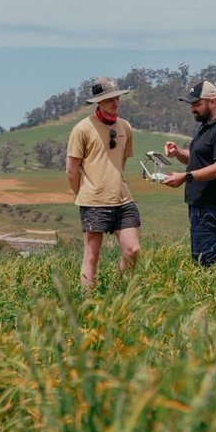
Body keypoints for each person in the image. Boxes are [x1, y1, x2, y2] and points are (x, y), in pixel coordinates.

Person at [66, 76, 140, 291]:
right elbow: (71, 170)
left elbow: (121, 162)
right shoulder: (82, 129)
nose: (115, 103)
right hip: (93, 200)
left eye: (117, 98)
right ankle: (88, 300)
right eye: (109, 100)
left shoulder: (125, 127)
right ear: (98, 102)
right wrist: (83, 194)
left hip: (123, 198)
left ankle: (120, 293)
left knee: (132, 250)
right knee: (92, 255)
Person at [159, 80, 216, 266]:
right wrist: (177, 153)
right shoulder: (207, 125)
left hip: (211, 208)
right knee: (200, 260)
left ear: (212, 101)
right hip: (200, 206)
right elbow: (197, 158)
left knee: (206, 264)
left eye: (197, 104)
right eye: (191, 104)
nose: (193, 109)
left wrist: (185, 177)